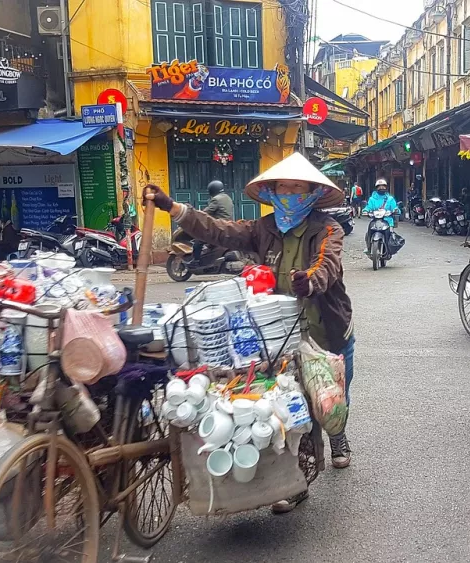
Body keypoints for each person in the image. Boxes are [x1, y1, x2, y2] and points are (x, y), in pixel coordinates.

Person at [145, 153, 355, 511]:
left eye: (297, 188)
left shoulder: (328, 229)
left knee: (329, 399)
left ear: (311, 193)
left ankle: (338, 435)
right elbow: (219, 231)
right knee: (292, 405)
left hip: (327, 329)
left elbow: (328, 264)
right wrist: (174, 208)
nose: (289, 194)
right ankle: (297, 481)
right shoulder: (264, 229)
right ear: (272, 193)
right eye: (282, 188)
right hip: (279, 335)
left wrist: (311, 281)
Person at [188, 180, 234, 265]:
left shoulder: (216, 199)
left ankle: (196, 261)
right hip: (227, 226)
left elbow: (207, 212)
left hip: (219, 227)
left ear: (212, 190)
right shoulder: (227, 197)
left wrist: (196, 214)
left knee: (198, 240)